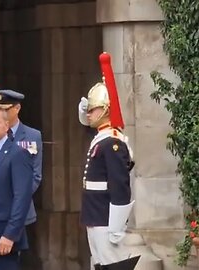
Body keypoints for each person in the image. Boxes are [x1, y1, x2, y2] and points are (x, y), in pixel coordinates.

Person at [78, 81, 137, 270]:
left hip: (105, 215)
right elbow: (85, 123)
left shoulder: (113, 143)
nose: (89, 113)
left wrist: (117, 225)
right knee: (100, 263)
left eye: (93, 109)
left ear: (105, 110)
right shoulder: (102, 138)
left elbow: (119, 186)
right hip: (95, 213)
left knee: (113, 263)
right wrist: (84, 112)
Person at [0, 105, 33, 270]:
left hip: (4, 237)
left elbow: (22, 198)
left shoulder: (17, 153)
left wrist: (10, 235)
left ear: (6, 125)